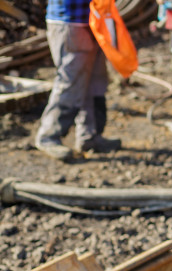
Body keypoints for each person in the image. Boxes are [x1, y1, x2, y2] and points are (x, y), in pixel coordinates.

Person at [36, 0, 121, 161]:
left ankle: (89, 136)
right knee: (71, 83)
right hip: (70, 23)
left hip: (93, 20)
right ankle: (48, 136)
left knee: (95, 82)